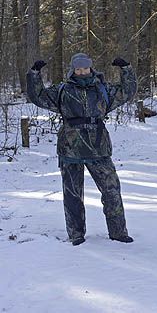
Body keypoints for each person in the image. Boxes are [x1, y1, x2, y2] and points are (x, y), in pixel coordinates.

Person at [26, 53, 137, 246]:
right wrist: (34, 74)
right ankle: (76, 234)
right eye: (78, 69)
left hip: (99, 148)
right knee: (73, 194)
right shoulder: (63, 90)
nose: (82, 72)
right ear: (73, 70)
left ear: (91, 68)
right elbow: (39, 97)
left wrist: (126, 69)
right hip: (70, 149)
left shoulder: (103, 89)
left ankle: (118, 233)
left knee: (111, 190)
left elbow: (127, 92)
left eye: (85, 68)